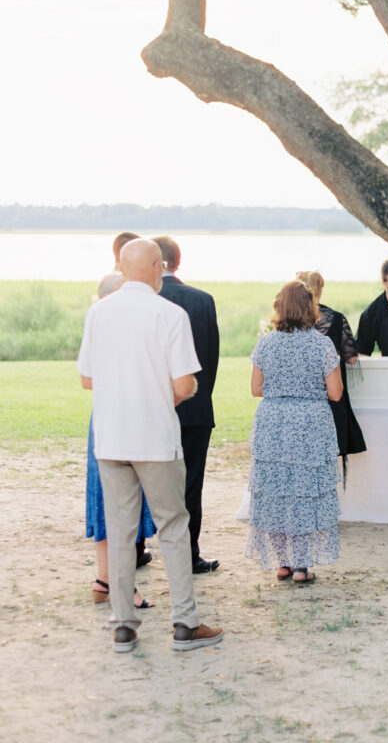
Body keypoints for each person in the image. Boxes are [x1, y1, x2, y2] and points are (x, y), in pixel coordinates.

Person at [78, 238, 223, 653]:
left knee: (122, 532)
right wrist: (173, 392)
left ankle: (123, 625)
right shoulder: (169, 314)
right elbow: (182, 384)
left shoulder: (98, 313)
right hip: (155, 438)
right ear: (158, 267)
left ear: (122, 269)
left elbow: (88, 379)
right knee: (173, 527)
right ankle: (185, 624)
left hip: (110, 439)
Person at [246, 280, 343, 584]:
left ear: (279, 307)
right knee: (304, 492)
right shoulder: (321, 344)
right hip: (310, 423)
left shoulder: (266, 343)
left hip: (273, 421)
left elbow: (255, 389)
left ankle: (282, 563)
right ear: (310, 307)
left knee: (275, 489)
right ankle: (301, 566)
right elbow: (336, 393)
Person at [86, 269, 156, 610]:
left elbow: (88, 380)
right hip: (127, 420)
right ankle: (124, 589)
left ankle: (104, 579)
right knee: (125, 504)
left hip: (101, 418)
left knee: (105, 500)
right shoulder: (126, 333)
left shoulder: (98, 326)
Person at [154, 235, 220, 575]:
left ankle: (137, 549)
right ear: (177, 261)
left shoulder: (146, 299)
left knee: (143, 480)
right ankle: (189, 555)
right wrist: (200, 395)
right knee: (191, 483)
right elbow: (211, 360)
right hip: (195, 407)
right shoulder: (203, 300)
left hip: (151, 410)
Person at [296, 270, 366, 480]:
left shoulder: (288, 321)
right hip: (330, 394)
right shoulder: (336, 319)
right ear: (320, 290)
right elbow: (351, 358)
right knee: (327, 450)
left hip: (300, 395)